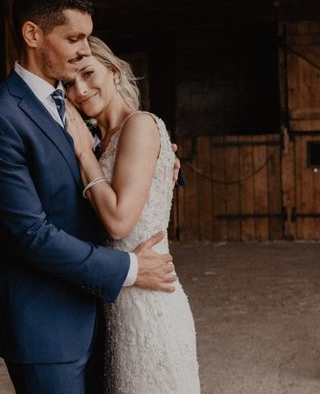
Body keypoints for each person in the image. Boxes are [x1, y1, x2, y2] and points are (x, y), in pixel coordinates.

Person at [0, 0, 179, 394]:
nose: (83, 51)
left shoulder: (68, 104)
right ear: (32, 34)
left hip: (99, 310)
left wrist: (163, 161)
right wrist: (129, 269)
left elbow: (108, 163)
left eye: (88, 39)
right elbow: (27, 234)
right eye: (75, 38)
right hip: (45, 323)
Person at [63, 36, 201, 393]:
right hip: (116, 303)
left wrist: (82, 153)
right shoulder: (100, 140)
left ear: (114, 70)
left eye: (88, 73)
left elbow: (120, 222)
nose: (80, 89)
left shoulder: (139, 125)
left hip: (151, 305)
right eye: (68, 83)